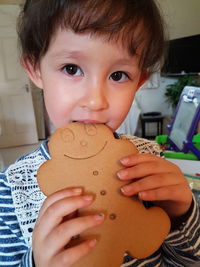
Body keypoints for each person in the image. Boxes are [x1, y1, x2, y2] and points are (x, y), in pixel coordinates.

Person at [0, 0, 199, 266]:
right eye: (71, 69)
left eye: (118, 75)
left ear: (139, 80)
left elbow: (188, 261)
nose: (95, 101)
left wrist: (181, 214)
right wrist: (36, 261)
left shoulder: (152, 166)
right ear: (35, 69)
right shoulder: (10, 193)